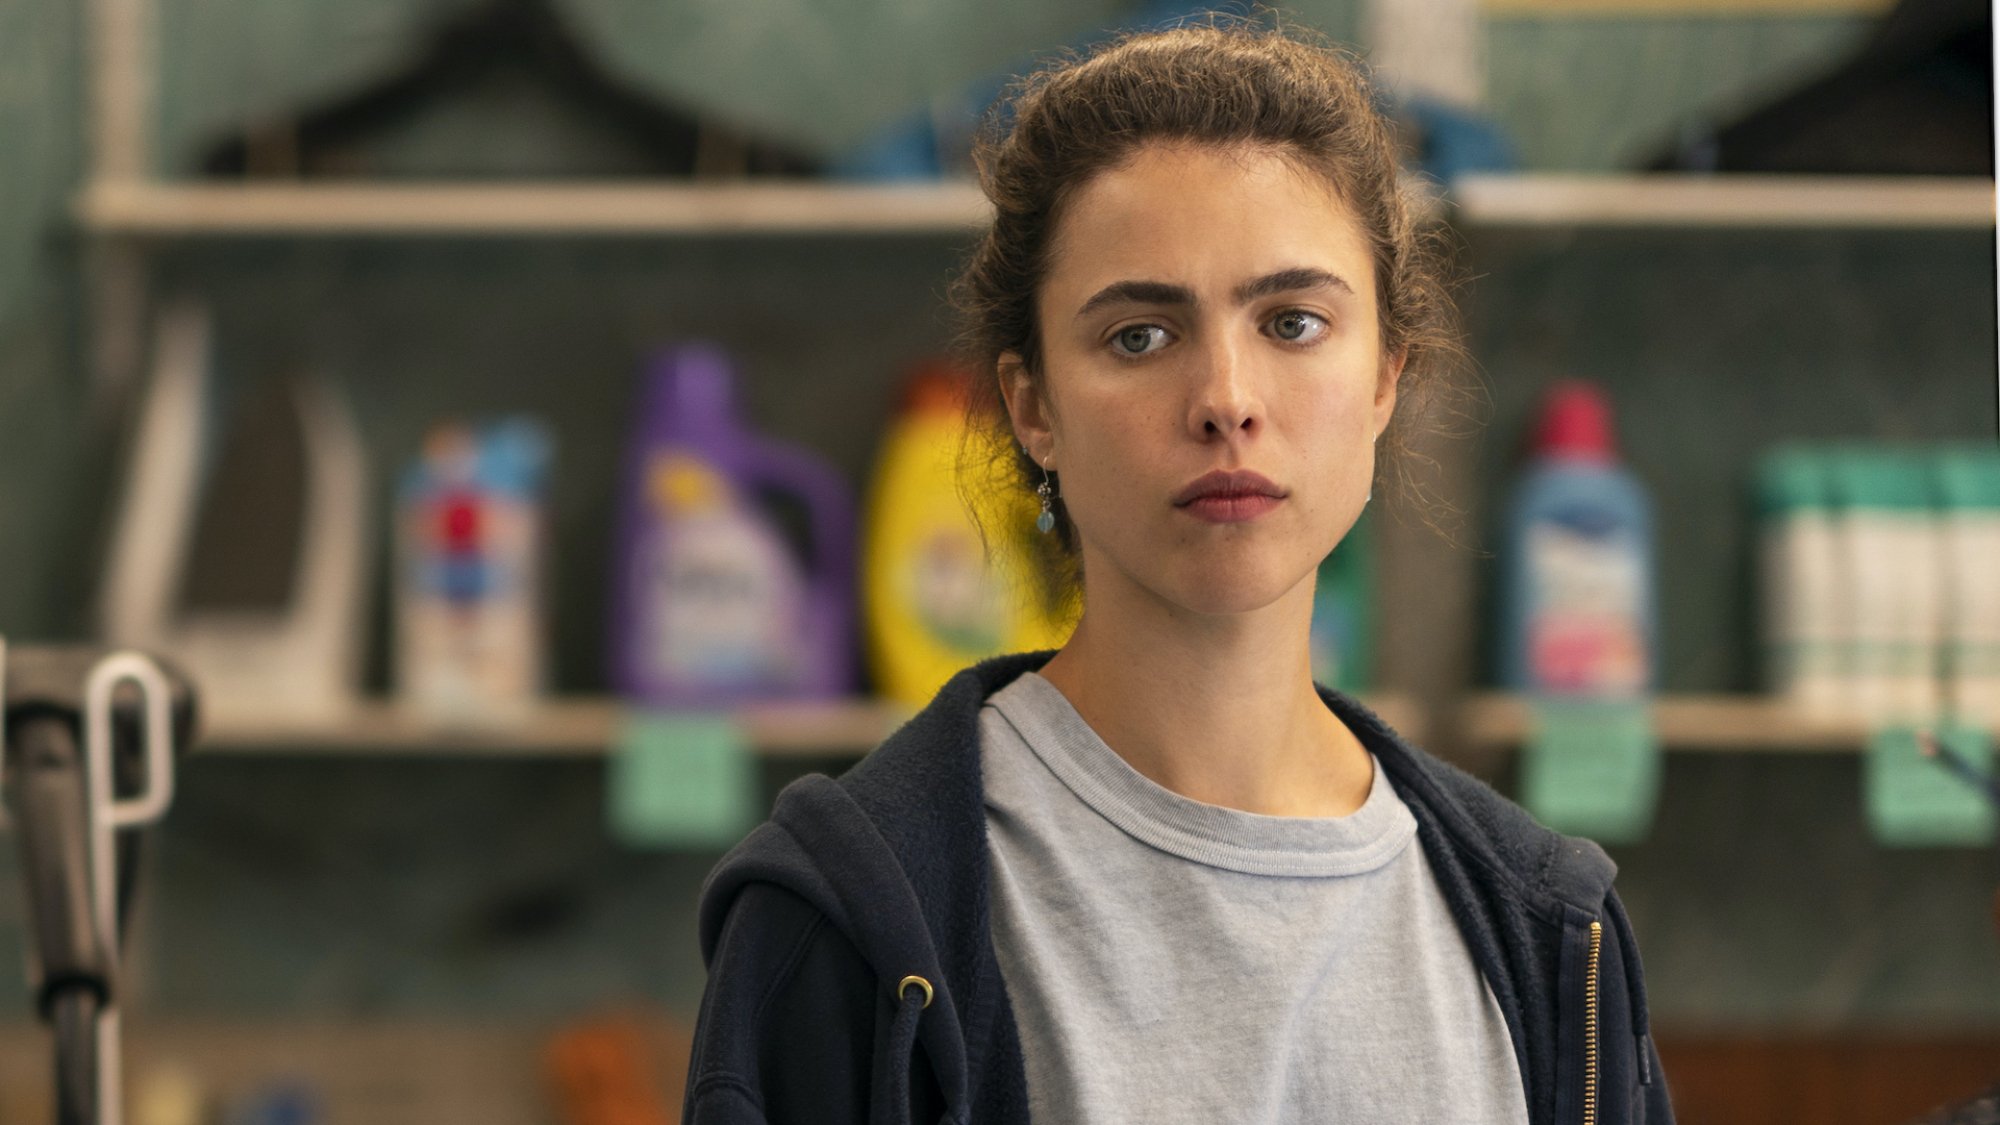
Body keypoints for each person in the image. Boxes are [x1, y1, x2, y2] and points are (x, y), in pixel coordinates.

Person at [684, 21, 1672, 1125]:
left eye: (1293, 322)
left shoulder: (1549, 932)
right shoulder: (844, 918)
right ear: (1032, 407)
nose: (1226, 398)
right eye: (1140, 336)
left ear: (1385, 379)